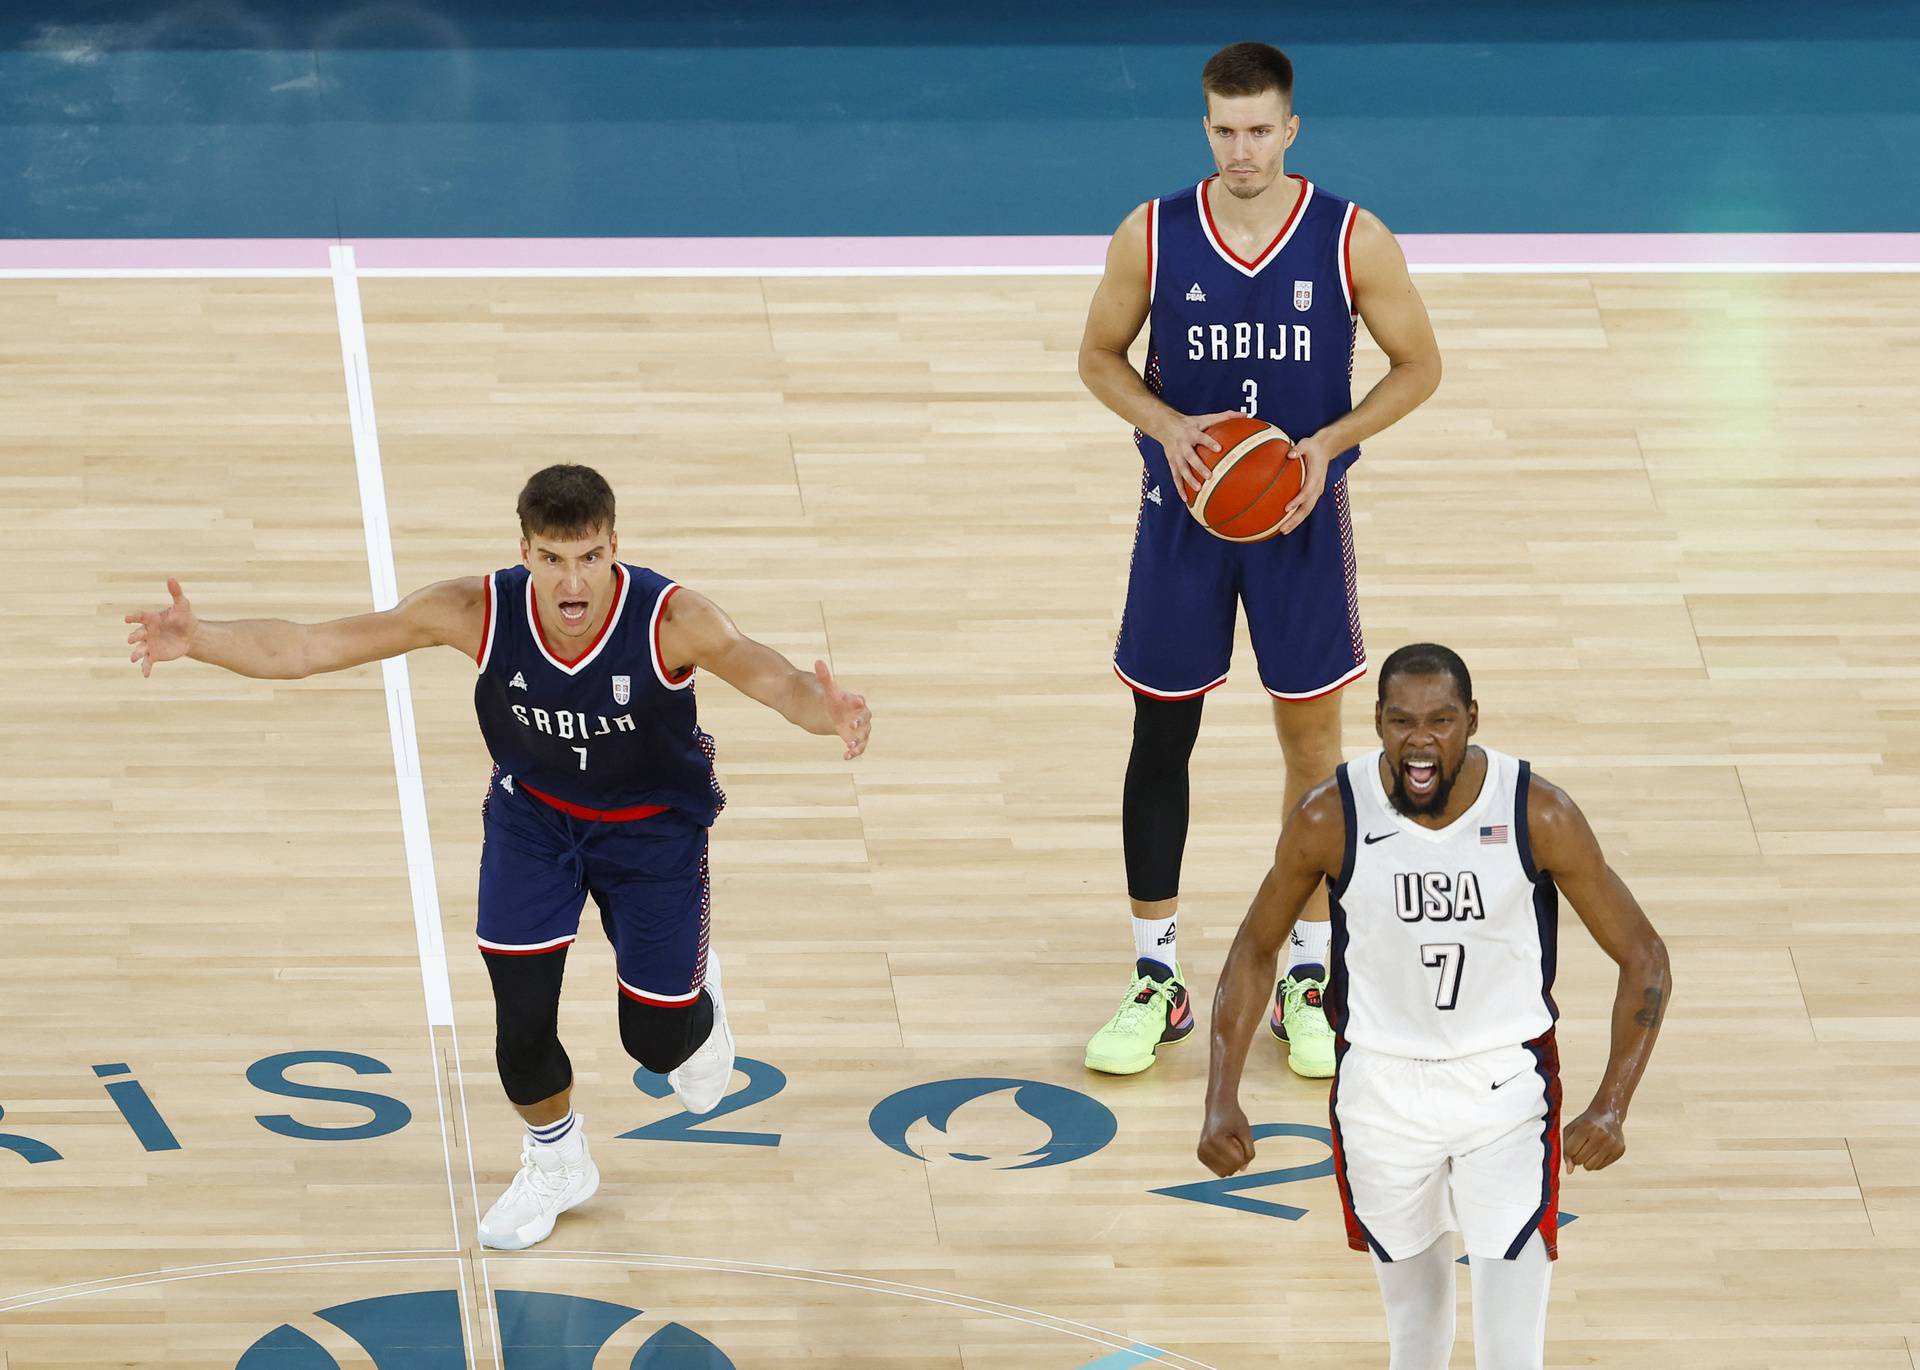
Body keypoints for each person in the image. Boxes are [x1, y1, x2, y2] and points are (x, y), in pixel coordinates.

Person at [124, 463, 871, 1250]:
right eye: (551, 558)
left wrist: (830, 713)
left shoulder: (672, 618)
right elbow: (312, 646)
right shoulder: (472, 609)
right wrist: (201, 640)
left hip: (652, 832)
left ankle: (696, 996)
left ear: (615, 547)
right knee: (519, 1028)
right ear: (524, 553)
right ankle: (558, 1161)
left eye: (588, 556)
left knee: (656, 1046)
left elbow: (774, 678)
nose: (571, 580)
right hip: (536, 824)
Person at [1077, 40, 1442, 1078]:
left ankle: (1309, 976)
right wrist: (1167, 423)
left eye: (1260, 129)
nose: (1243, 149)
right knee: (1162, 735)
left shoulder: (1350, 236)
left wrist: (1328, 444)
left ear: (1291, 128)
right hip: (1181, 521)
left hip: (1301, 525)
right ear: (1207, 129)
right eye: (1225, 130)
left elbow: (1421, 364)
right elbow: (1096, 356)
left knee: (1312, 751)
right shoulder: (1152, 233)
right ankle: (1156, 978)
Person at [1197, 643, 1671, 1368]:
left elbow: (1644, 956)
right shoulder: (1330, 816)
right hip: (1379, 1085)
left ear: (1472, 719)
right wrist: (1220, 1096)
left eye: (1442, 721)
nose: (1421, 740)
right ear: (1378, 722)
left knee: (1512, 1350)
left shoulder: (1536, 811)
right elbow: (1254, 950)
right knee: (1414, 1343)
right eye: (1402, 721)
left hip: (1505, 1085)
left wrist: (1612, 1103)